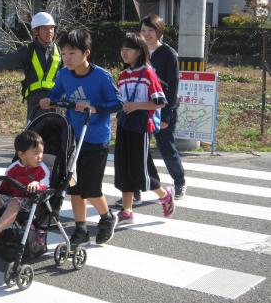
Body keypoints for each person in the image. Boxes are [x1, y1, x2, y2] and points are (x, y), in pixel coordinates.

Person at [40, 29, 122, 245]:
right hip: (73, 138)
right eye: (64, 53)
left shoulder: (101, 76)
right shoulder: (64, 74)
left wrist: (94, 108)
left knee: (91, 188)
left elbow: (118, 103)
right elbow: (57, 93)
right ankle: (80, 228)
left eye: (72, 53)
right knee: (74, 186)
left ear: (86, 53)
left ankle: (107, 217)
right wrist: (49, 100)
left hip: (96, 139)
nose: (66, 58)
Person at [114, 32, 175, 225]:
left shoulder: (148, 73)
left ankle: (165, 195)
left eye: (128, 49)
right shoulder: (123, 75)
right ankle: (127, 210)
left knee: (140, 171)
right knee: (124, 168)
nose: (124, 53)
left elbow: (160, 102)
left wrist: (136, 105)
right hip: (124, 125)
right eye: (122, 49)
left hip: (141, 126)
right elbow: (119, 102)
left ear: (140, 52)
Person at [0, 12, 62, 121]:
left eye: (52, 28)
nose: (50, 32)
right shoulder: (28, 50)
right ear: (36, 31)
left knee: (55, 135)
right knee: (34, 135)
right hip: (35, 101)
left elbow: (67, 74)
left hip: (54, 100)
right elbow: (7, 61)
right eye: (45, 28)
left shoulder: (59, 51)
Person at [140, 14, 187, 200]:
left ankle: (180, 182)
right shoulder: (138, 51)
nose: (146, 34)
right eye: (143, 30)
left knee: (166, 147)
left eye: (150, 30)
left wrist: (167, 115)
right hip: (142, 107)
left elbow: (173, 86)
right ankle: (142, 187)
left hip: (162, 109)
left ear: (159, 31)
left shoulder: (169, 54)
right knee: (140, 149)